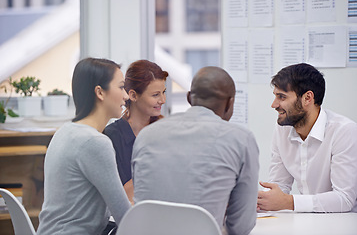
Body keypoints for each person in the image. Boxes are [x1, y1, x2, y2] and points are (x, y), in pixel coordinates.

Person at [132, 66, 260, 235]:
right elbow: (240, 227)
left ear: (189, 98)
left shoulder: (147, 135)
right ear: (230, 103)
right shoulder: (241, 139)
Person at [37, 58, 131, 235]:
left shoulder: (65, 131)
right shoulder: (95, 142)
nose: (126, 96)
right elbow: (125, 217)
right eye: (121, 87)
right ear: (100, 93)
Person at [257, 63, 357, 213]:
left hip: (343, 222)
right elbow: (280, 186)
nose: (274, 105)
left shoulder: (344, 131)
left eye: (282, 97)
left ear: (307, 98)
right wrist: (259, 203)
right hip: (306, 220)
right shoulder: (282, 130)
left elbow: (344, 199)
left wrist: (289, 202)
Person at [103, 59, 168, 204]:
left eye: (163, 92)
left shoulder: (165, 132)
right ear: (133, 95)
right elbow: (119, 196)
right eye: (155, 95)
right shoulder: (112, 136)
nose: (163, 100)